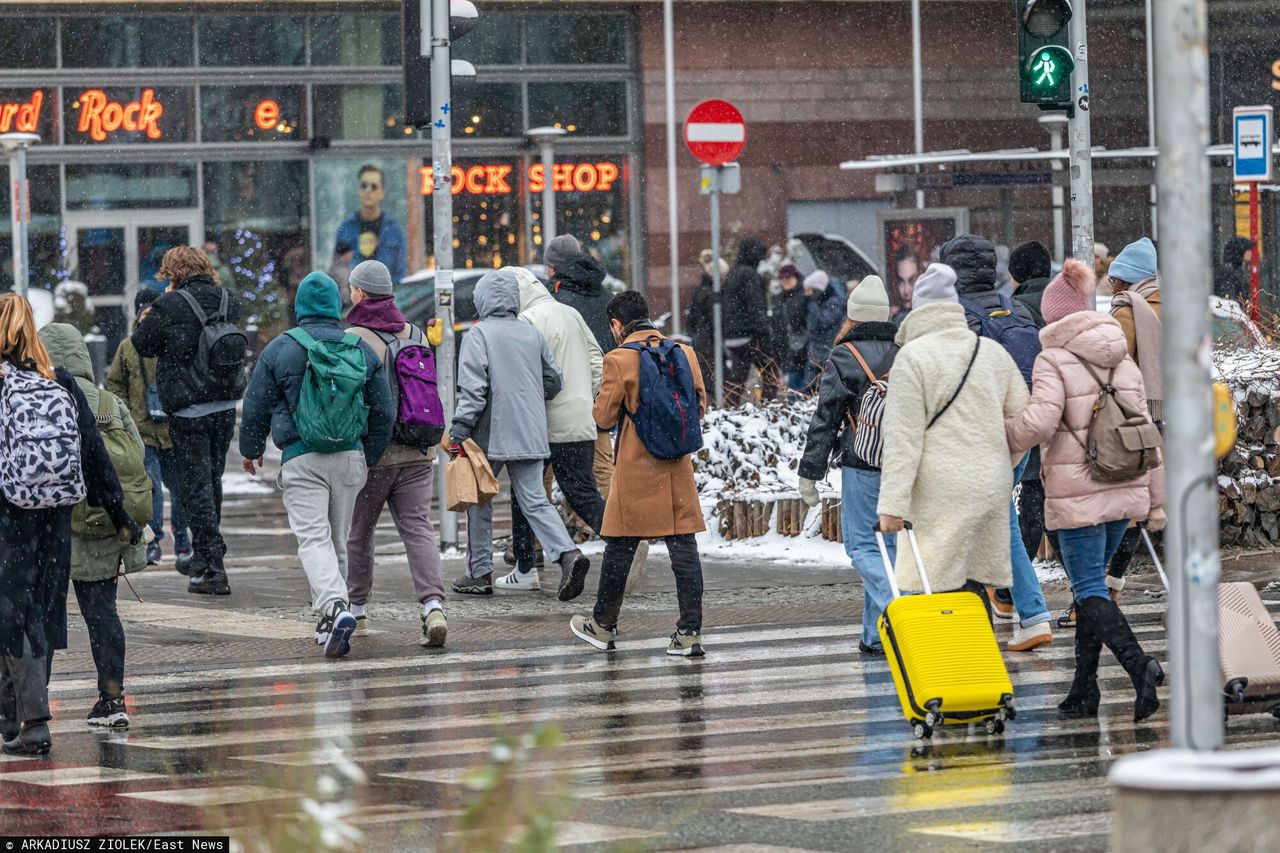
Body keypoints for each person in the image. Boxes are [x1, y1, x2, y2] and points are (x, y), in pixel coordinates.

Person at [1005, 259, 1166, 722]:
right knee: (1087, 592)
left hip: (1080, 493)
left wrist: (998, 432)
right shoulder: (1123, 359)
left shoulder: (1053, 359)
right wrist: (1154, 499)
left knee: (1088, 588)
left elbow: (1038, 423)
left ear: (1055, 317)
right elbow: (1147, 431)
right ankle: (1084, 690)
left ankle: (1140, 666)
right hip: (1125, 487)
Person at [0, 294, 139, 755]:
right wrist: (119, 514)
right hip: (54, 516)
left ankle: (31, 722)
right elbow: (94, 454)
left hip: (8, 515)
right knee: (37, 611)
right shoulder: (59, 381)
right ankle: (16, 717)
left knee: (12, 613)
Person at [239, 271, 395, 659]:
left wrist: (251, 447)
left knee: (313, 539)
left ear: (300, 307)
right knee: (335, 539)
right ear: (337, 305)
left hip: (301, 456)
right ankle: (329, 621)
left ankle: (336, 608)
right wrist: (368, 454)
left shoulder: (281, 348)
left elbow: (256, 404)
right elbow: (384, 411)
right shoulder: (359, 348)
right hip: (350, 457)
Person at [876, 264, 1028, 616]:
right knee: (973, 585)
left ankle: (953, 667)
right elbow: (1023, 423)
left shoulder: (912, 359)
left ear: (919, 309)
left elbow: (903, 440)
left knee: (940, 590)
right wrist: (1003, 464)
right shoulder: (991, 353)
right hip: (988, 484)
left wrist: (892, 506)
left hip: (938, 492)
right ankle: (980, 664)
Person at [569, 291, 709, 656]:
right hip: (676, 469)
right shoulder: (685, 353)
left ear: (617, 324)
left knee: (620, 547)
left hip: (636, 470)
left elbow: (603, 418)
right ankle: (690, 632)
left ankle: (603, 625)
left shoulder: (619, 360)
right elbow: (700, 406)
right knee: (684, 551)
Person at [447, 269, 589, 598]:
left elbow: (473, 391)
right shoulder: (530, 333)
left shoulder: (478, 335)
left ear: (481, 300)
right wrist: (528, 396)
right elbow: (555, 380)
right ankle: (568, 555)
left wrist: (459, 429)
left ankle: (479, 573)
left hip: (489, 434)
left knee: (478, 500)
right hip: (530, 430)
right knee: (535, 501)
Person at [942, 234, 1053, 648]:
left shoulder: (957, 316)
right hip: (1019, 434)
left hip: (978, 437)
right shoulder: (1017, 309)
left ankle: (1009, 615)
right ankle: (1022, 609)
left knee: (982, 524)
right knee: (997, 519)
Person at [41, 323, 148, 730]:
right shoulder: (108, 402)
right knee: (102, 614)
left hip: (51, 520)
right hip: (103, 521)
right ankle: (111, 699)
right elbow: (134, 454)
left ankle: (35, 705)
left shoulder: (39, 397)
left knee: (42, 615)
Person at [343, 260, 448, 647]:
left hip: (375, 454)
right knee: (419, 529)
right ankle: (433, 605)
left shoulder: (353, 339)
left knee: (360, 532)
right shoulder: (416, 332)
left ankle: (357, 609)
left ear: (359, 292)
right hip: (419, 451)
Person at [132, 246, 245, 596]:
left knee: (195, 488)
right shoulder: (229, 299)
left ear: (173, 273)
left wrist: (159, 307)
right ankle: (203, 555)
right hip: (224, 406)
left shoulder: (169, 306)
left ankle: (212, 566)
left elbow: (142, 343)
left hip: (189, 410)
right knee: (213, 481)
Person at [798, 275, 898, 654]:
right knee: (888, 547)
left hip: (861, 462)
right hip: (900, 462)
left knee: (859, 546)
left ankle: (899, 607)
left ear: (852, 316)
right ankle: (875, 636)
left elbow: (826, 419)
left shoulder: (844, 355)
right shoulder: (902, 351)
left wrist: (809, 472)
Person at [504, 267, 606, 594]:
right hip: (580, 420)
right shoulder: (570, 313)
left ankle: (525, 565)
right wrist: (584, 397)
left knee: (525, 492)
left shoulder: (526, 321)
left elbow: (524, 376)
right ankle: (622, 542)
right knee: (583, 494)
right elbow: (596, 360)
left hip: (543, 425)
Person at [108, 289, 191, 571]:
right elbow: (114, 384)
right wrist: (128, 414)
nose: (148, 317)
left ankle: (183, 541)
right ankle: (153, 542)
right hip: (143, 432)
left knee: (180, 490)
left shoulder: (173, 339)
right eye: (144, 312)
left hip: (172, 430)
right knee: (151, 489)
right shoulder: (128, 347)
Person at [546, 235, 618, 508]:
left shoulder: (552, 298)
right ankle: (629, 539)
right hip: (601, 393)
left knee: (544, 469)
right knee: (603, 469)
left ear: (553, 267)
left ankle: (536, 543)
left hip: (560, 398)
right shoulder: (604, 293)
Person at [721, 237, 773, 405]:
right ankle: (770, 411)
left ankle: (728, 411)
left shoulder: (733, 273)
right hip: (750, 335)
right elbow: (756, 306)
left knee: (737, 379)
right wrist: (764, 333)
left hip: (733, 336)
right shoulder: (750, 275)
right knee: (771, 373)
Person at [335, 164, 406, 283]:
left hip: (385, 298)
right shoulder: (345, 228)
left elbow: (399, 273)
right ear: (359, 190)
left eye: (373, 187)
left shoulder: (394, 230)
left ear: (382, 193)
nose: (368, 190)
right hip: (353, 297)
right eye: (364, 186)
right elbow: (338, 270)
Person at [546, 236, 613, 355]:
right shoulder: (611, 299)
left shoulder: (550, 300)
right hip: (610, 370)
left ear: (552, 269)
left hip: (570, 372)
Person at [687, 249, 729, 400]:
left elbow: (691, 319)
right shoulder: (713, 294)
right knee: (712, 383)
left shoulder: (702, 290)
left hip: (702, 342)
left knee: (706, 381)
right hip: (709, 344)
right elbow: (716, 322)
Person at [768, 263, 809, 394]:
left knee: (805, 385)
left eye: (788, 278)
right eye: (783, 279)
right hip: (787, 349)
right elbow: (777, 325)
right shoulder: (778, 299)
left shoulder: (805, 296)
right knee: (793, 388)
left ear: (796, 278)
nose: (785, 281)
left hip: (804, 348)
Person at [803, 270, 846, 385]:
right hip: (815, 351)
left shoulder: (834, 302)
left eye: (810, 290)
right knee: (810, 385)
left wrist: (811, 304)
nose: (807, 294)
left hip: (828, 349)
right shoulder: (818, 302)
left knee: (827, 384)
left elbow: (821, 322)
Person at [1010, 240, 1053, 326]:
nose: (1009, 278)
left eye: (1011, 273)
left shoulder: (1015, 308)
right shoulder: (1063, 299)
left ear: (1019, 275)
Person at [1216, 236, 1254, 306]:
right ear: (1240, 251)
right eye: (1248, 250)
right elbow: (1229, 301)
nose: (1251, 253)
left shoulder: (1235, 270)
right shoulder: (1229, 273)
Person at [889, 246, 920, 325]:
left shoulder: (933, 313)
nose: (906, 291)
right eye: (901, 282)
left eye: (912, 281)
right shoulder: (892, 317)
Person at [328, 242, 355, 310]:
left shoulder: (336, 266)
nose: (352, 254)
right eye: (350, 252)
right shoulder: (340, 270)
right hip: (341, 306)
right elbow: (344, 291)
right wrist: (349, 303)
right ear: (345, 254)